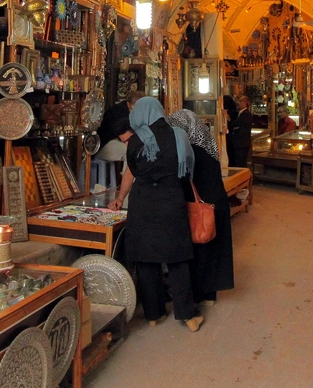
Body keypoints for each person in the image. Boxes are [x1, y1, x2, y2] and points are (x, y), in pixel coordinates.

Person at [109, 98, 204, 331]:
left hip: (143, 203)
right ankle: (187, 315)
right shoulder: (179, 135)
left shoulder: (136, 140)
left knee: (146, 259)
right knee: (177, 258)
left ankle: (154, 314)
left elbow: (132, 169)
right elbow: (187, 170)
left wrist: (121, 197)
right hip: (171, 200)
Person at [169, 109, 235, 306]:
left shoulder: (190, 150)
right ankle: (210, 295)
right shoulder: (207, 143)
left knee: (199, 249)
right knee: (213, 247)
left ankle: (198, 295)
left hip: (201, 206)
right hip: (216, 202)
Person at [95, 90, 145, 163]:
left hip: (118, 141)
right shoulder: (118, 112)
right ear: (128, 104)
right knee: (131, 151)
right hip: (102, 145)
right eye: (133, 109)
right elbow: (125, 137)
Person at [226, 95, 253, 168]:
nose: (238, 103)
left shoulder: (246, 114)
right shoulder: (240, 113)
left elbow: (238, 125)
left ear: (245, 102)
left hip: (242, 143)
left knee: (241, 163)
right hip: (239, 143)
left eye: (240, 101)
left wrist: (229, 120)